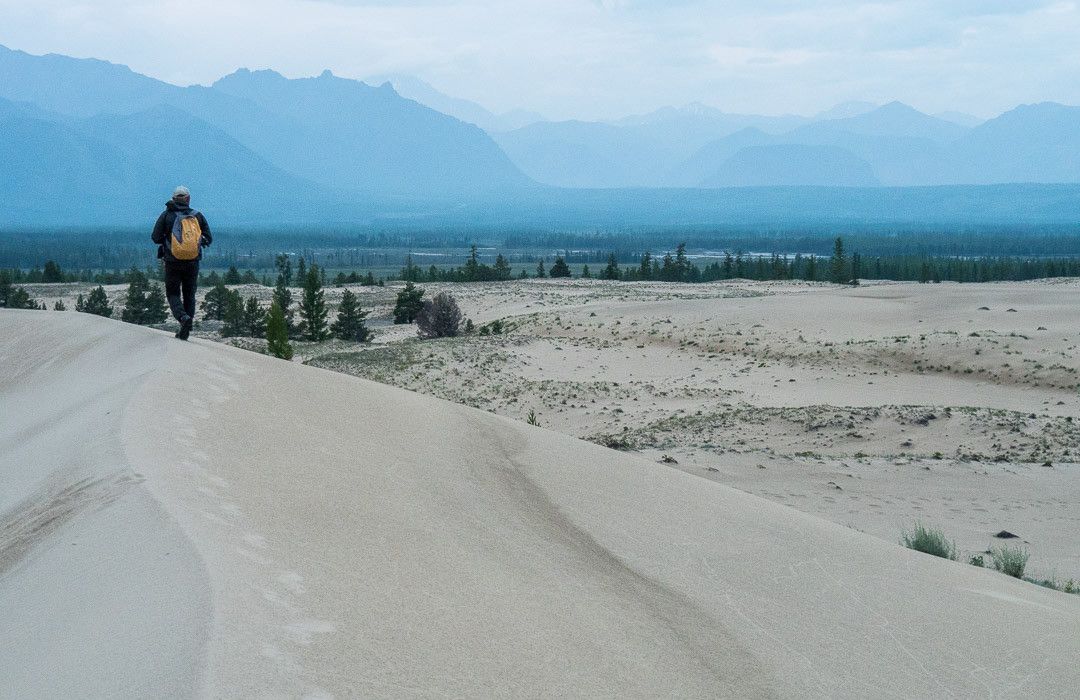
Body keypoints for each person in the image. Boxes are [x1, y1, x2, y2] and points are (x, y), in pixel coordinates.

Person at [152, 186, 211, 340]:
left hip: (172, 261)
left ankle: (183, 318)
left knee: (172, 293)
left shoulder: (166, 215)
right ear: (188, 199)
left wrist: (169, 242)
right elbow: (208, 238)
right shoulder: (197, 216)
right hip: (193, 262)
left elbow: (155, 237)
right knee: (189, 294)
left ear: (173, 199)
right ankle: (187, 327)